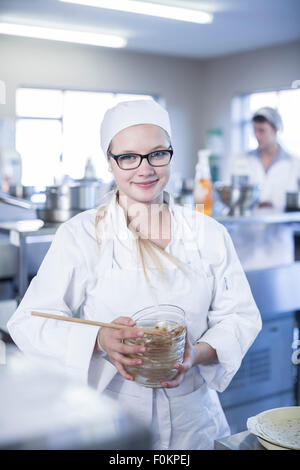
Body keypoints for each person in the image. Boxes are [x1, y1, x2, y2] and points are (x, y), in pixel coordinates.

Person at [7, 99, 262, 450]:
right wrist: (99, 340)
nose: (145, 169)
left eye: (157, 154)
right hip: (112, 419)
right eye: (128, 157)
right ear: (110, 162)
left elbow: (240, 316)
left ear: (171, 154)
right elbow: (29, 321)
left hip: (195, 422)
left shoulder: (208, 233)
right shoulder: (81, 234)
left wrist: (196, 353)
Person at [247, 106, 300, 211]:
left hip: (284, 226)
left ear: (276, 129)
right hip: (248, 226)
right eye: (254, 130)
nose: (256, 135)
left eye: (261, 130)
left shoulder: (295, 164)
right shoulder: (243, 160)